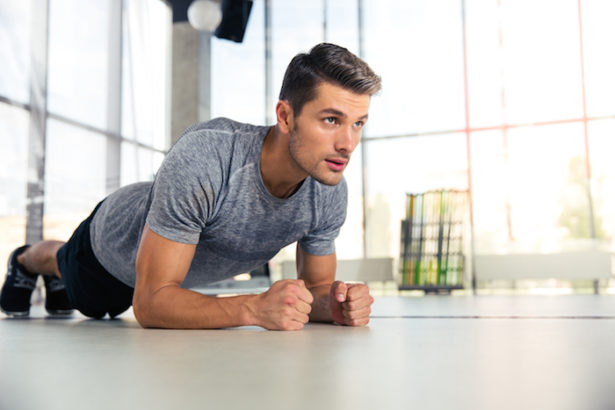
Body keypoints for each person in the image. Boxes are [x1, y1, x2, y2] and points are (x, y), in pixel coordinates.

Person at [0, 43, 381, 330]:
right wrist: (252, 307)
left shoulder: (329, 189)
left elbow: (315, 291)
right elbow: (149, 303)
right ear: (285, 115)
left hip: (166, 282)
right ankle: (25, 259)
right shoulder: (210, 155)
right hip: (110, 248)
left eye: (358, 123)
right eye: (331, 119)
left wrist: (336, 303)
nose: (348, 144)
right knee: (74, 277)